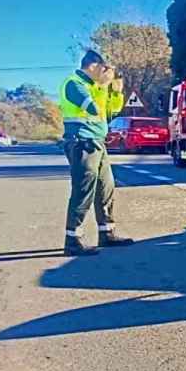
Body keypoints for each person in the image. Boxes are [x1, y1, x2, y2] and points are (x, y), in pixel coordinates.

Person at [59, 50, 134, 256]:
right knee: (83, 191)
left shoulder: (94, 87)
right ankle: (72, 240)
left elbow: (109, 114)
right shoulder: (74, 84)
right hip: (82, 143)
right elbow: (92, 109)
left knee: (105, 188)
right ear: (92, 66)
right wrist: (102, 85)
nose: (106, 73)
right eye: (104, 69)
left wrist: (116, 92)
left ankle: (106, 233)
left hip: (97, 144)